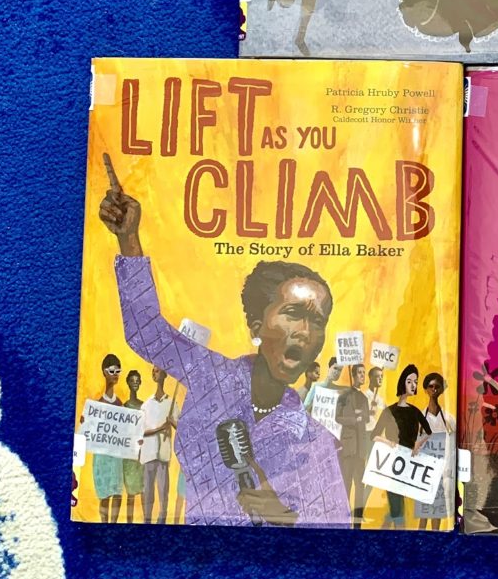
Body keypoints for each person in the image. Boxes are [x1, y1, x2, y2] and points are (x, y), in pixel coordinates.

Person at [98, 154, 350, 528]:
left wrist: (283, 517)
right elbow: (146, 332)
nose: (306, 332)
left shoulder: (317, 444)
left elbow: (337, 535)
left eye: (318, 321)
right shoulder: (210, 375)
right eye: (293, 313)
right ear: (256, 324)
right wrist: (129, 237)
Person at [372, 364, 431, 529]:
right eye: (409, 381)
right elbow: (374, 435)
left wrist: (417, 445)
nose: (413, 385)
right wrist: (388, 443)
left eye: (415, 382)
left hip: (408, 464)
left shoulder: (415, 411)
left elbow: (428, 432)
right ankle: (398, 532)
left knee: (397, 506)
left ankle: (385, 529)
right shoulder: (389, 411)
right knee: (397, 507)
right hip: (391, 462)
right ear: (402, 383)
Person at [416, 372, 455, 531]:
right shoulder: (419, 418)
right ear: (425, 389)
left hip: (441, 470)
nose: (434, 389)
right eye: (430, 386)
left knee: (437, 512)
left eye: (437, 386)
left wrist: (449, 471)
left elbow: (452, 447)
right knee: (423, 512)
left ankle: (436, 538)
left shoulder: (449, 419)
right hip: (423, 470)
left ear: (441, 389)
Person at [89, 353, 124, 523]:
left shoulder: (120, 405)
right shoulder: (98, 405)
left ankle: (114, 525)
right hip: (102, 456)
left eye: (118, 371)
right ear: (104, 372)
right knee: (104, 494)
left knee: (117, 493)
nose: (115, 375)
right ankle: (104, 525)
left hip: (116, 455)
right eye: (112, 371)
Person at [334, 363, 370, 524]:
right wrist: (353, 419)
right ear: (353, 375)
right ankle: (343, 519)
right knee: (346, 485)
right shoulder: (344, 396)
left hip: (360, 450)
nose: (362, 375)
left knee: (360, 487)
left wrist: (361, 416)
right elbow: (337, 417)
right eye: (360, 372)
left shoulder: (364, 398)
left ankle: (357, 522)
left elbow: (366, 418)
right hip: (348, 448)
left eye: (364, 373)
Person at [140, 365, 173, 523]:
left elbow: (180, 424)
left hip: (163, 455)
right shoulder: (146, 405)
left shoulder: (171, 403)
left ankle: (162, 521)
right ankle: (147, 521)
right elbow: (140, 431)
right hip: (148, 454)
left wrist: (172, 422)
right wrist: (160, 428)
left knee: (163, 491)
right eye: (152, 371)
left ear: (165, 374)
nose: (154, 373)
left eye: (157, 370)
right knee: (147, 491)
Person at [121, 369, 145, 521]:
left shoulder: (144, 406)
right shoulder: (124, 407)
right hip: (129, 455)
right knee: (130, 493)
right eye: (132, 381)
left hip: (142, 454)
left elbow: (146, 428)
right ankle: (129, 522)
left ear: (140, 383)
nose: (135, 383)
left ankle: (146, 523)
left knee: (143, 490)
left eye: (137, 381)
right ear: (128, 383)